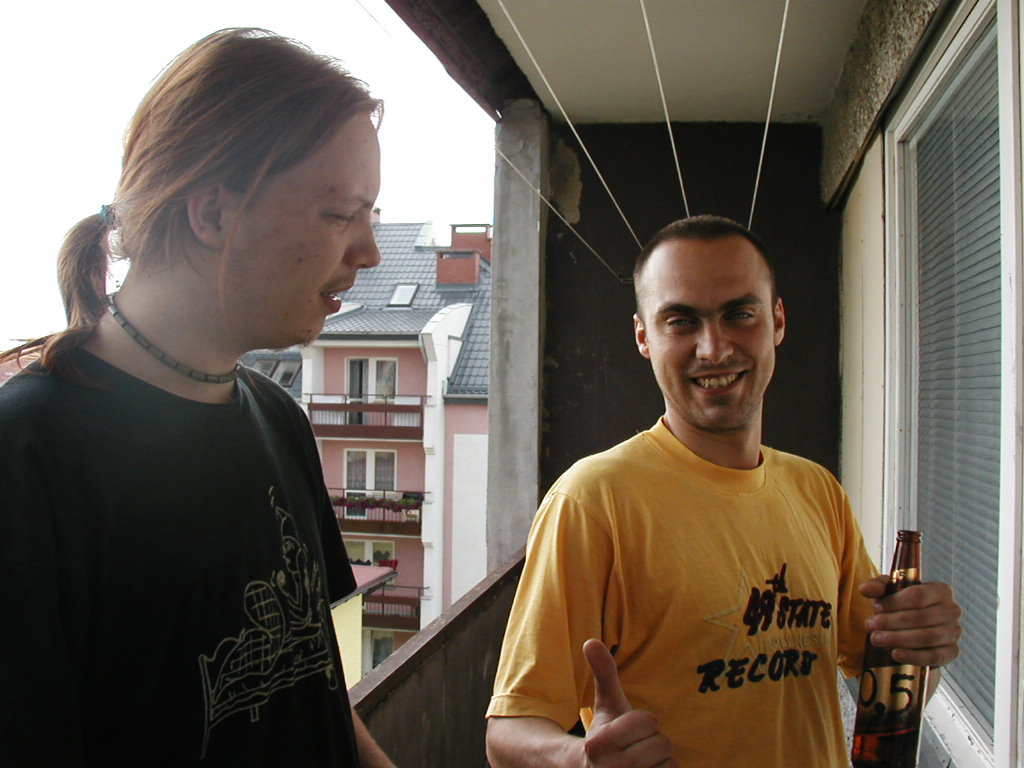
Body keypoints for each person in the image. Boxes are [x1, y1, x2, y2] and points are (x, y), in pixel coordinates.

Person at [0, 28, 395, 767]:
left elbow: (322, 685)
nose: (369, 252)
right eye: (342, 214)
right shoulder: (27, 452)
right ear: (212, 213)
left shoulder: (278, 418)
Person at [485, 215, 963, 768]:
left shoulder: (817, 491)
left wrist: (924, 651)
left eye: (739, 314)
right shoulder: (594, 501)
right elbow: (508, 734)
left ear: (776, 320)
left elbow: (888, 681)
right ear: (644, 337)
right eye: (681, 321)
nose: (713, 349)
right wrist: (579, 761)